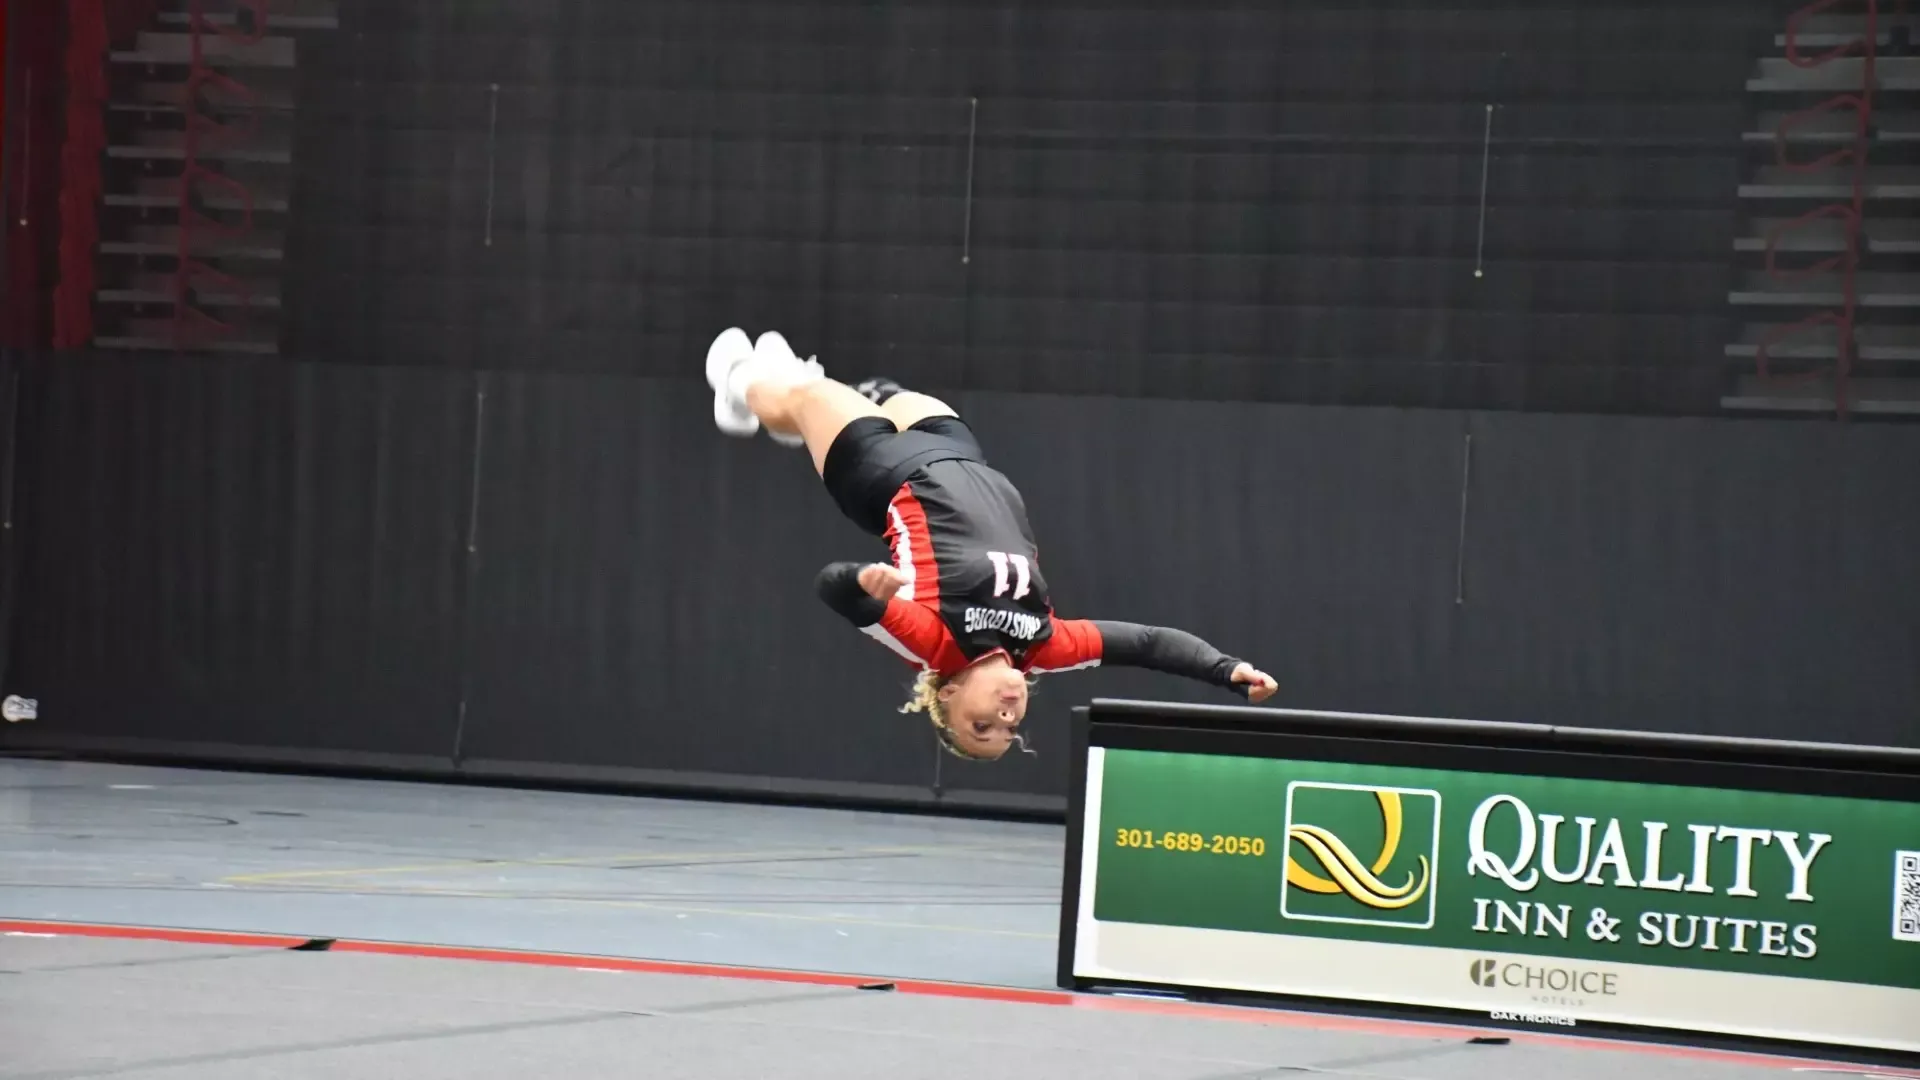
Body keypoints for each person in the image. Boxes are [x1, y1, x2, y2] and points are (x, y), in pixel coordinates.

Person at [706, 327, 1279, 761]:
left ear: (948, 696)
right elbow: (1149, 643)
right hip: (963, 458)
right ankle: (797, 400)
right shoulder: (1045, 646)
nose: (1007, 718)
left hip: (882, 478)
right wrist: (1225, 670)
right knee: (890, 395)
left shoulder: (936, 643)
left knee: (808, 394)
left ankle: (737, 387)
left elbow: (834, 588)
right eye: (1010, 730)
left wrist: (861, 583)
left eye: (983, 726)